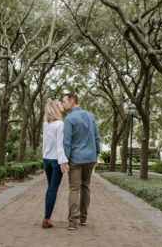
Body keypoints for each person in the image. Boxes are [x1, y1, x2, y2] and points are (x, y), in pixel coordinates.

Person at [62, 93, 100, 230]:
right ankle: (83, 219)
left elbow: (67, 142)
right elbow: (97, 137)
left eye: (65, 101)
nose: (63, 104)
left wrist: (65, 161)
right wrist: (97, 155)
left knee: (74, 189)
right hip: (90, 158)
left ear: (72, 101)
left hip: (76, 159)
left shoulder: (69, 118)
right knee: (85, 187)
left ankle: (73, 222)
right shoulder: (90, 116)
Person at [42, 100, 69, 228]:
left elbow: (45, 145)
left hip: (46, 159)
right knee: (53, 189)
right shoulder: (60, 124)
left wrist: (44, 158)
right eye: (59, 104)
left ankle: (46, 216)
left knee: (50, 188)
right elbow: (60, 146)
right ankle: (46, 218)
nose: (61, 105)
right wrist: (63, 162)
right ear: (55, 108)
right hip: (56, 160)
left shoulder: (46, 124)